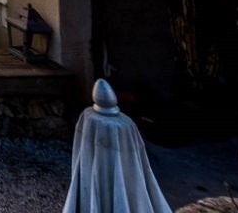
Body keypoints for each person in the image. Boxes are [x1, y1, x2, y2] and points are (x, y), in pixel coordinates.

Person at [63, 80, 176, 213]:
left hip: (107, 174)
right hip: (100, 173)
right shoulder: (94, 118)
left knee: (116, 185)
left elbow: (130, 167)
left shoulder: (116, 124)